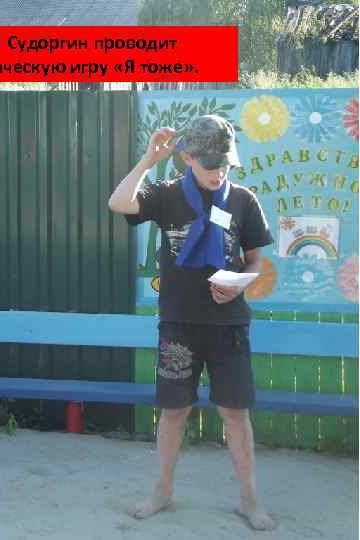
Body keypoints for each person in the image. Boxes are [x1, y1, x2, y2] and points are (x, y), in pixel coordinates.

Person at [108, 115, 276, 530]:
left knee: (235, 415)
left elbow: (256, 259)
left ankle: (250, 500)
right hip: (179, 325)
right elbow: (119, 203)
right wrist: (148, 160)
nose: (219, 172)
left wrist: (240, 285)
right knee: (173, 412)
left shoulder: (243, 200)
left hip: (229, 326)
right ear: (186, 158)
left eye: (225, 164)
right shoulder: (166, 195)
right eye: (210, 164)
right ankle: (162, 492)